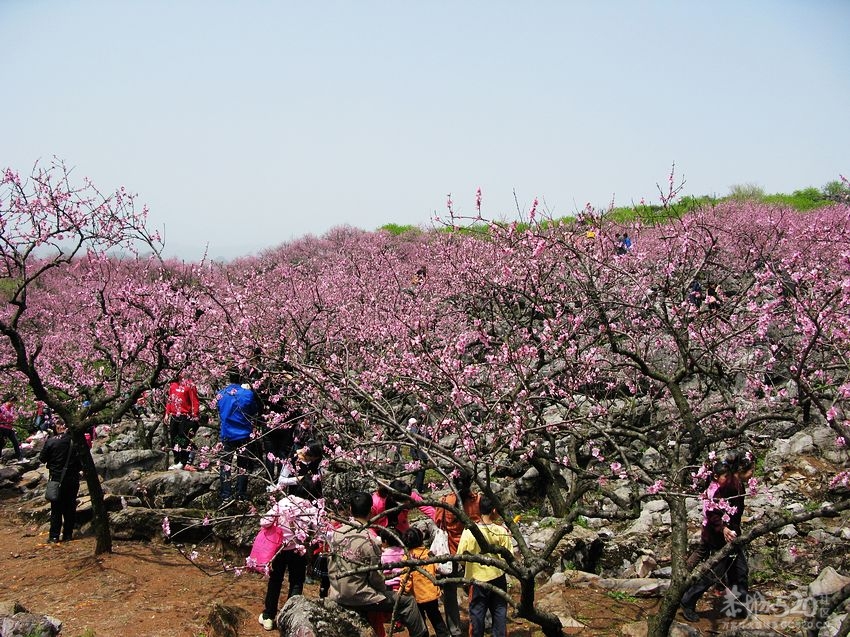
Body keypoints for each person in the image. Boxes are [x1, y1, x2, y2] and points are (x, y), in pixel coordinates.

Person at [327, 491, 427, 637]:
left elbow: (330, 565)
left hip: (336, 592)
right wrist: (383, 588)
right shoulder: (370, 540)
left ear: (350, 509)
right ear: (372, 511)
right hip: (360, 596)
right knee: (408, 602)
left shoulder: (335, 534)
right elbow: (376, 578)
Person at [680, 459, 748, 622]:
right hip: (718, 538)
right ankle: (687, 600)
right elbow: (712, 513)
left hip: (733, 538)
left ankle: (737, 606)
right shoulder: (723, 489)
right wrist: (723, 528)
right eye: (751, 471)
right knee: (713, 574)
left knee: (740, 572)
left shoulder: (739, 486)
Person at [257, 486, 321, 631]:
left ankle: (269, 616)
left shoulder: (283, 502)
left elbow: (264, 521)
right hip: (298, 550)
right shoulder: (310, 508)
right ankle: (290, 617)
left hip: (279, 548)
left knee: (275, 581)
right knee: (297, 583)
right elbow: (317, 529)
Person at [434, 470, 482, 637]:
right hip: (473, 551)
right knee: (478, 586)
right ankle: (483, 622)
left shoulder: (446, 501)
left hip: (452, 552)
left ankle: (454, 629)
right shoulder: (477, 500)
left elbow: (437, 521)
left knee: (450, 592)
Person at [456, 496, 513, 637]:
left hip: (476, 580)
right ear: (494, 510)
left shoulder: (469, 531)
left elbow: (461, 556)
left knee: (477, 614)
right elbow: (509, 557)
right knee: (500, 611)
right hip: (498, 577)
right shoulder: (501, 531)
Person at [215, 369, 259, 504]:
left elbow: (218, 410)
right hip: (244, 433)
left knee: (225, 465)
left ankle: (226, 494)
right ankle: (241, 493)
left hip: (227, 432)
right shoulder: (247, 394)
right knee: (243, 464)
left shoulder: (221, 394)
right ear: (241, 378)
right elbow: (254, 410)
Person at [401, 527, 451, 637]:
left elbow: (406, 579)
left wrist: (404, 591)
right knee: (436, 618)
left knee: (420, 621)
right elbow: (436, 567)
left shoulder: (407, 558)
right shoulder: (428, 553)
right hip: (431, 594)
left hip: (417, 597)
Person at [39, 420, 83, 542]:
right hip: (72, 479)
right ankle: (68, 534)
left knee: (56, 508)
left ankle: (54, 536)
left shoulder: (51, 441)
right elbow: (81, 463)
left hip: (56, 479)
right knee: (70, 507)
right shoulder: (75, 442)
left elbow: (42, 458)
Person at [165, 374, 200, 470]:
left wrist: (195, 414)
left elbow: (194, 401)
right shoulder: (173, 385)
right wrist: (167, 413)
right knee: (174, 437)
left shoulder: (189, 386)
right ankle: (177, 460)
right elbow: (170, 400)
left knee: (183, 437)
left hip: (185, 416)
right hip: (174, 415)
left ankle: (183, 461)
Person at [0, 396, 24, 462]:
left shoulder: (11, 408)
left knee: (15, 442)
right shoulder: (2, 408)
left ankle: (20, 458)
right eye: (13, 402)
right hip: (3, 428)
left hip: (10, 428)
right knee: (2, 443)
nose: (13, 403)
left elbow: (12, 417)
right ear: (9, 400)